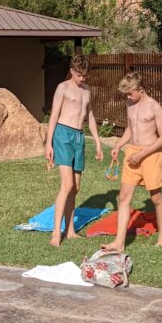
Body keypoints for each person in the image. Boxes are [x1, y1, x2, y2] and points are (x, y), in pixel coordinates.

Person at [103, 72, 162, 252]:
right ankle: (119, 243)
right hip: (133, 153)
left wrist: (143, 154)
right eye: (126, 94)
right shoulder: (129, 104)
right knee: (123, 198)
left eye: (130, 93)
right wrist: (119, 145)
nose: (128, 96)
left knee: (155, 198)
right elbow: (131, 128)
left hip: (151, 154)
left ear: (140, 89)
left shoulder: (154, 107)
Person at [45, 53, 103, 247]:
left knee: (75, 188)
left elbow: (91, 117)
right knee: (67, 185)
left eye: (85, 75)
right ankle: (56, 233)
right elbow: (53, 116)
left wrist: (97, 142)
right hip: (63, 135)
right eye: (79, 75)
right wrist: (48, 143)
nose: (82, 79)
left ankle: (70, 230)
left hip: (79, 137)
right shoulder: (63, 88)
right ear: (72, 71)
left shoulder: (87, 90)